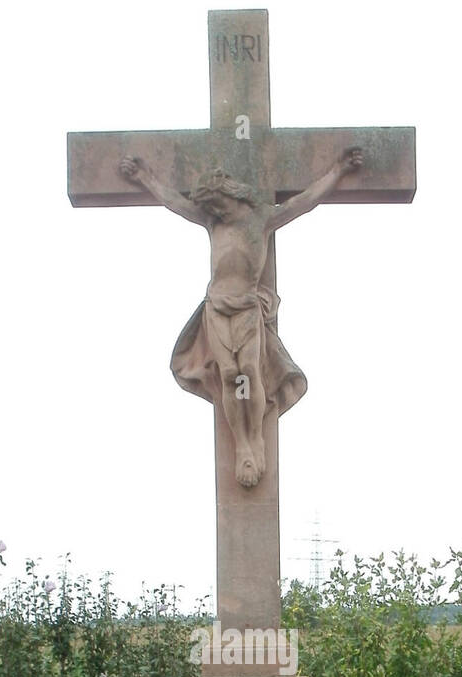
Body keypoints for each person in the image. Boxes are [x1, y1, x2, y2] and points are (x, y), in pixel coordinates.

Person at [119, 148, 364, 487]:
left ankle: (257, 438)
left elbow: (304, 202)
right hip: (216, 308)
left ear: (229, 196)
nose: (213, 211)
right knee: (230, 376)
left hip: (248, 308)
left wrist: (337, 170)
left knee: (250, 371)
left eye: (217, 204)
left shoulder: (261, 219)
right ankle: (244, 446)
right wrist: (145, 178)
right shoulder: (211, 222)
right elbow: (175, 203)